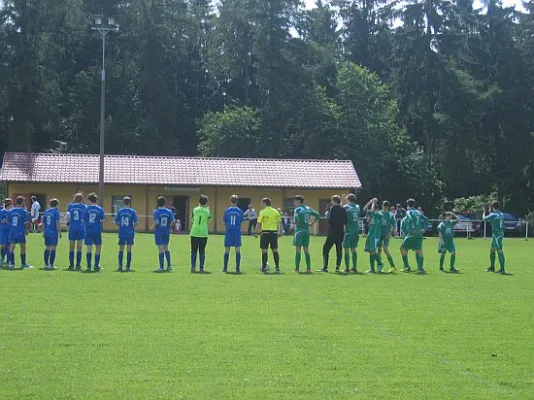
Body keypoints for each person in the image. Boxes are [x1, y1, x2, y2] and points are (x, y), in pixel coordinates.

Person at [292, 195, 320, 273]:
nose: (294, 203)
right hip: (306, 231)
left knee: (298, 250)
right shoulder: (308, 209)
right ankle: (308, 268)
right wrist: (312, 223)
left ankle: (297, 269)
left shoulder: (297, 209)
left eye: (295, 201)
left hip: (299, 231)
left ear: (298, 201)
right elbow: (317, 215)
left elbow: (296, 217)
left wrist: (297, 223)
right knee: (306, 250)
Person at [319, 195, 347, 273]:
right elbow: (345, 221)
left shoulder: (333, 209)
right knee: (339, 250)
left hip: (332, 232)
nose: (331, 202)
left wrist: (327, 214)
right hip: (340, 231)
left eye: (332, 201)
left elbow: (330, 221)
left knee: (326, 248)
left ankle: (325, 267)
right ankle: (337, 267)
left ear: (334, 201)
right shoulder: (343, 209)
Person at [400, 198, 428, 274]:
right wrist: (424, 229)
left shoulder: (409, 211)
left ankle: (406, 266)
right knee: (418, 250)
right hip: (419, 233)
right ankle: (420, 268)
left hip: (412, 233)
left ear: (408, 205)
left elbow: (410, 218)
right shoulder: (418, 212)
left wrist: (414, 227)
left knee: (402, 248)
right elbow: (426, 219)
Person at [257, 198, 282, 273]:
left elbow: (259, 223)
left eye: (262, 203)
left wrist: (255, 231)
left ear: (264, 203)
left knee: (264, 250)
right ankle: (277, 267)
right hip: (274, 233)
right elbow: (280, 222)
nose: (261, 204)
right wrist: (280, 232)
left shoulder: (263, 212)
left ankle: (264, 267)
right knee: (275, 250)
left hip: (265, 233)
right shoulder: (276, 211)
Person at [113, 196, 139, 272]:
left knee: (121, 249)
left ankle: (120, 266)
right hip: (130, 233)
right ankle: (128, 266)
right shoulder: (132, 211)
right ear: (130, 202)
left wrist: (120, 226)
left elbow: (115, 222)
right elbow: (136, 223)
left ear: (123, 202)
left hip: (122, 232)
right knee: (129, 249)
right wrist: (131, 227)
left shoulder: (120, 211)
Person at [6, 196, 31, 269]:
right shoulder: (24, 212)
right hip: (20, 231)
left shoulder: (11, 211)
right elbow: (25, 223)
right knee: (22, 247)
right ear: (22, 202)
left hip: (12, 232)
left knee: (12, 247)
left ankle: (12, 264)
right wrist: (26, 230)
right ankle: (23, 264)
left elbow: (8, 221)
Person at [152, 196, 175, 272]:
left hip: (159, 231)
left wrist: (152, 227)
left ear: (157, 203)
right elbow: (173, 221)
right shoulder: (168, 211)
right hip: (166, 231)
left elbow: (157, 222)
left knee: (160, 249)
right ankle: (169, 266)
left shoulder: (156, 212)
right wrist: (169, 227)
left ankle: (161, 267)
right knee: (166, 248)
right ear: (165, 203)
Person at [83, 193, 105, 272]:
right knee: (98, 247)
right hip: (97, 230)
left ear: (89, 200)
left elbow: (83, 220)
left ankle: (89, 266)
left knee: (89, 248)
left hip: (88, 230)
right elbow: (103, 220)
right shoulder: (100, 209)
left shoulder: (86, 209)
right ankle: (96, 265)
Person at [190, 194, 212, 273]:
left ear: (199, 201)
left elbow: (192, 219)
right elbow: (209, 220)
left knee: (193, 250)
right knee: (202, 251)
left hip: (194, 232)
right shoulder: (207, 211)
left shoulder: (194, 209)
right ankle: (201, 268)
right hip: (203, 233)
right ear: (206, 202)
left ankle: (193, 267)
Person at [223, 195, 244, 273]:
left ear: (230, 201)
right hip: (237, 232)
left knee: (226, 250)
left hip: (229, 231)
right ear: (237, 201)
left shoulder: (227, 211)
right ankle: (237, 268)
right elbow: (241, 222)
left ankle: (225, 268)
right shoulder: (240, 211)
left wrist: (228, 227)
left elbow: (224, 222)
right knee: (237, 250)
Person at [483, 201, 506, 274]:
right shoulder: (501, 214)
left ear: (492, 207)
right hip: (498, 234)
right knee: (492, 250)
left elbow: (484, 218)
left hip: (497, 235)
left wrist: (484, 211)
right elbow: (499, 222)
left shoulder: (493, 214)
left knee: (499, 251)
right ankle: (492, 267)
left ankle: (502, 269)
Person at [66, 193, 87, 270]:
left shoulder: (70, 206)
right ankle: (78, 265)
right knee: (79, 248)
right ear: (81, 199)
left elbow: (68, 213)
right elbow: (88, 207)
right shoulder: (84, 206)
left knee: (71, 247)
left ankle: (71, 265)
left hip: (72, 228)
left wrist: (73, 200)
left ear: (74, 199)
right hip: (81, 228)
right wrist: (83, 200)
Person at [363, 198, 384, 273]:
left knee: (372, 250)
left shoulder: (379, 214)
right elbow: (364, 209)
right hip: (370, 234)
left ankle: (380, 263)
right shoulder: (371, 213)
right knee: (370, 250)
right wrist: (370, 202)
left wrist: (373, 203)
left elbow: (372, 211)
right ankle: (372, 269)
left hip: (375, 235)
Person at [41, 198, 61, 270]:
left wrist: (43, 232)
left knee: (47, 248)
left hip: (46, 231)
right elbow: (57, 223)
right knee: (53, 248)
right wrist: (60, 232)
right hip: (53, 232)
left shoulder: (46, 212)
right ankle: (51, 264)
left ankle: (46, 264)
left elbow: (43, 223)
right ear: (56, 204)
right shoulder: (56, 212)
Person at [377, 201, 397, 273]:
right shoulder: (379, 213)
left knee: (385, 249)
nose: (384, 207)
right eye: (383, 205)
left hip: (386, 234)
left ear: (388, 207)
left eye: (386, 206)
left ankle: (392, 266)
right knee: (379, 250)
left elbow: (393, 226)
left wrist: (389, 234)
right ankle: (379, 266)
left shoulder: (390, 215)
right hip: (379, 234)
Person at [343, 194, 360, 273]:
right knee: (353, 248)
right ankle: (354, 267)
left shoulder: (346, 207)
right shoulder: (357, 207)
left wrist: (342, 200)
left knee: (346, 249)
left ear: (348, 199)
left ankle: (347, 267)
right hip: (356, 230)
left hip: (348, 230)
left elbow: (340, 209)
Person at [0, 198, 13, 266]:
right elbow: (1, 221)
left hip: (10, 231)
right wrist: (4, 220)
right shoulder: (1, 211)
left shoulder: (12, 212)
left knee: (9, 246)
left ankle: (8, 261)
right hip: (3, 230)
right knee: (2, 245)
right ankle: (2, 258)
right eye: (10, 203)